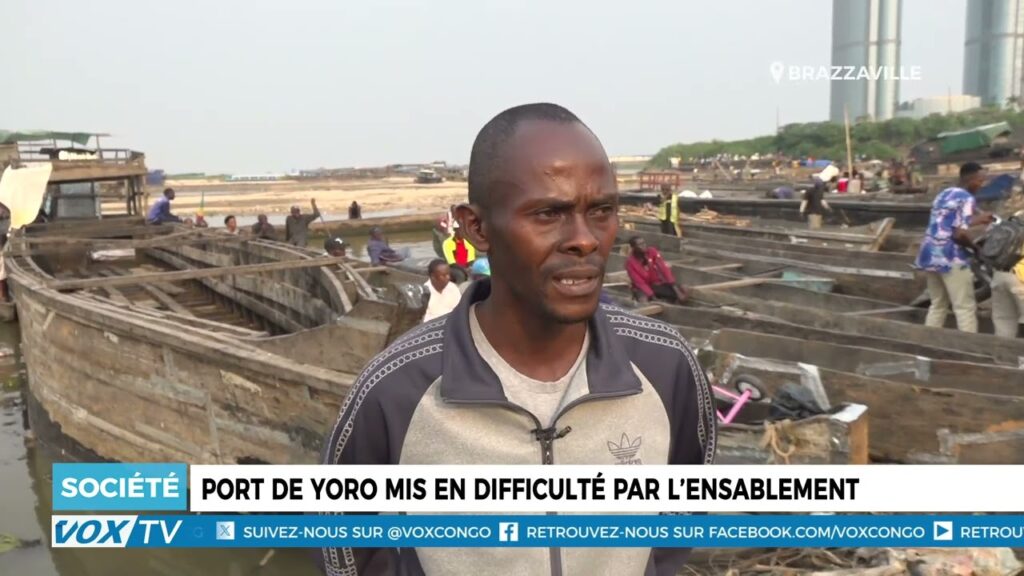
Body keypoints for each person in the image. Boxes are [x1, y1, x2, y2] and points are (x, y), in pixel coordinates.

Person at [321, 103, 715, 576]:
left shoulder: (665, 367)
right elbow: (347, 550)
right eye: (548, 213)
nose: (585, 240)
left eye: (602, 211)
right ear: (477, 228)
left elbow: (682, 517)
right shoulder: (396, 390)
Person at [914, 162, 994, 333]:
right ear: (971, 180)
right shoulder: (967, 198)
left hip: (930, 254)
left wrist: (976, 220)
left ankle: (927, 343)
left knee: (938, 304)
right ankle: (968, 345)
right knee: (964, 307)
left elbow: (946, 223)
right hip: (951, 257)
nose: (981, 185)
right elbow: (959, 235)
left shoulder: (944, 193)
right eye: (980, 181)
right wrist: (975, 249)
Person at [625, 236, 689, 304]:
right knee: (644, 301)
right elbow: (640, 283)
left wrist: (675, 289)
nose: (644, 246)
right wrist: (653, 297)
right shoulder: (630, 263)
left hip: (655, 284)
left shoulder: (651, 251)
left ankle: (673, 302)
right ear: (633, 248)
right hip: (641, 288)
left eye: (644, 243)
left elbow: (664, 269)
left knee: (684, 289)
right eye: (640, 244)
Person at [991, 212, 1024, 338]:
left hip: (1000, 273)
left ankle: (1002, 351)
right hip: (1021, 278)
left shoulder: (1016, 218)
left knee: (1003, 322)